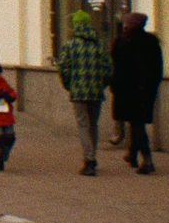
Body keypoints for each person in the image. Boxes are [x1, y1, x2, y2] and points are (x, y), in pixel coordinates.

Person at [56, 10, 112, 176]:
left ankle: (88, 158)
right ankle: (92, 156)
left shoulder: (70, 45)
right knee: (93, 124)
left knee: (82, 124)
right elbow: (108, 69)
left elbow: (63, 68)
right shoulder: (100, 45)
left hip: (78, 91)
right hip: (95, 91)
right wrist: (101, 84)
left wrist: (69, 85)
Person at [110, 12, 162, 174]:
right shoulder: (151, 42)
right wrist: (153, 85)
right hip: (146, 89)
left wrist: (114, 85)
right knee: (136, 122)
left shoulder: (121, 42)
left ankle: (147, 160)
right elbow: (157, 68)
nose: (124, 26)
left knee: (136, 124)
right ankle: (132, 154)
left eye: (126, 24)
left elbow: (114, 67)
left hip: (126, 89)